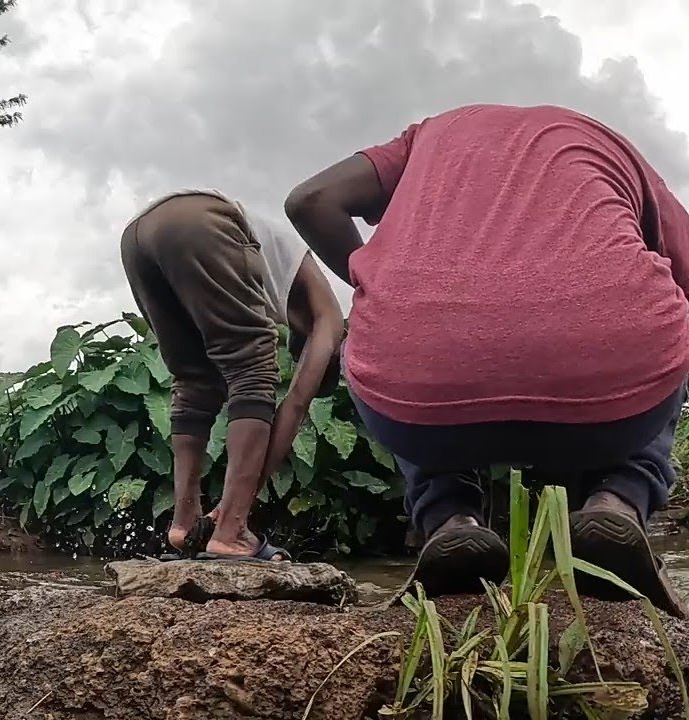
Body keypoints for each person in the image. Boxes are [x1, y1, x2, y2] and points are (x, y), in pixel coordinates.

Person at [284, 104, 689, 617]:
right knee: (667, 324)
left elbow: (309, 200)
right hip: (613, 406)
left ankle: (451, 521)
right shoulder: (607, 144)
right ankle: (619, 501)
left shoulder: (428, 136)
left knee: (403, 344)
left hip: (423, 407)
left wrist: (376, 285)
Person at [120, 189, 345, 562]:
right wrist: (233, 509)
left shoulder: (280, 290)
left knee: (195, 381)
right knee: (253, 367)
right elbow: (295, 405)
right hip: (200, 220)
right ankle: (232, 533)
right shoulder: (330, 318)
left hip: (139, 236)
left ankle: (184, 523)